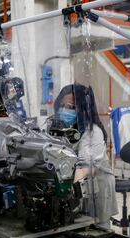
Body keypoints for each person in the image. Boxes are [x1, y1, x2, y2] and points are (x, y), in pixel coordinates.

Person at [51, 84, 118, 229]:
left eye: (70, 107)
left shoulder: (93, 132)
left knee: (97, 227)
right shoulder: (59, 128)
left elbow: (88, 168)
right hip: (76, 184)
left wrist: (60, 186)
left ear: (83, 109)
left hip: (97, 186)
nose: (64, 111)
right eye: (62, 106)